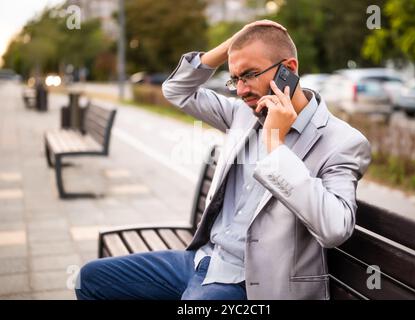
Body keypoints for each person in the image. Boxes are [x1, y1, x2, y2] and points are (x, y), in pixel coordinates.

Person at [76, 20, 371, 300]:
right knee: (89, 279)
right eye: (235, 79)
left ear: (288, 69)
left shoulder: (341, 142)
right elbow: (176, 90)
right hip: (202, 259)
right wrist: (237, 40)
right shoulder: (243, 112)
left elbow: (335, 228)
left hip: (253, 282)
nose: (241, 90)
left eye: (250, 74)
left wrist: (275, 145)